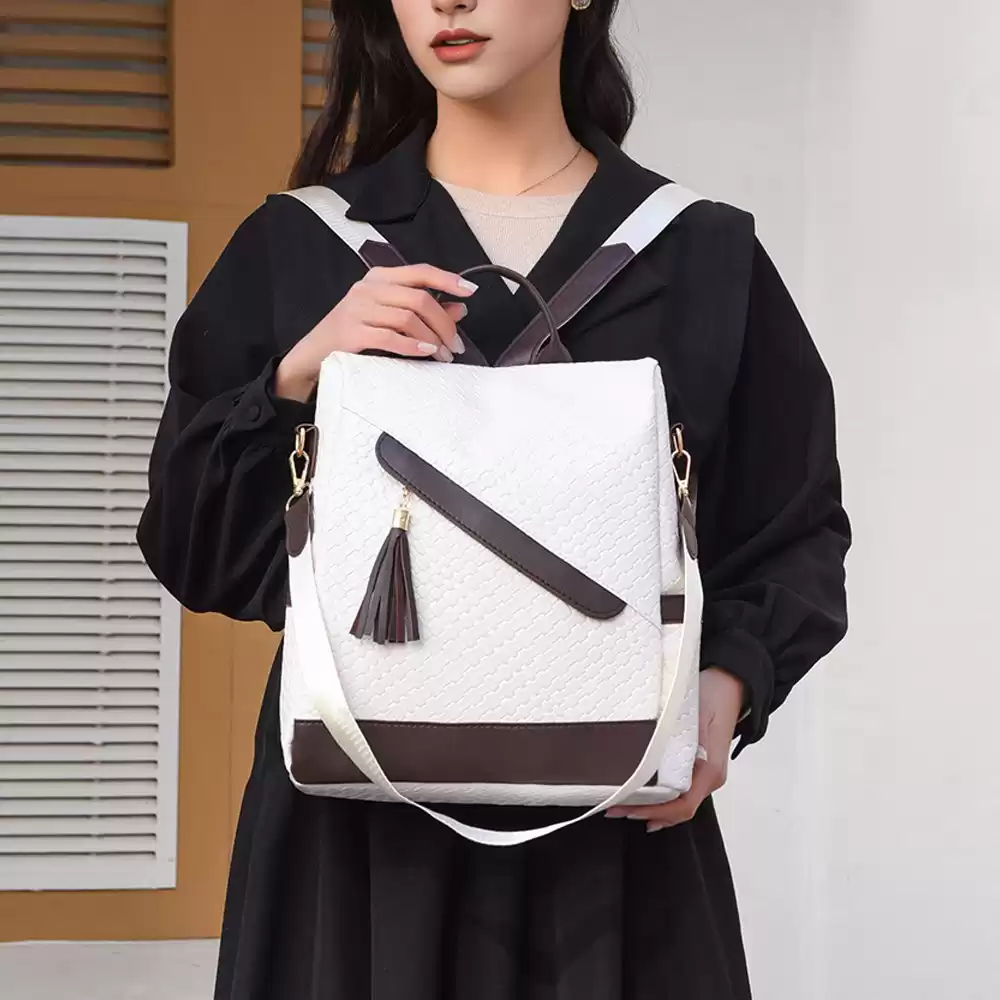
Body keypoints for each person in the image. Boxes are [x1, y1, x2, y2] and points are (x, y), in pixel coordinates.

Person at [137, 0, 850, 997]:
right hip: (357, 843)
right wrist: (297, 373)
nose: (448, 2)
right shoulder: (298, 246)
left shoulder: (701, 252)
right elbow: (196, 547)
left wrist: (724, 690)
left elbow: (793, 527)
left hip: (614, 833)